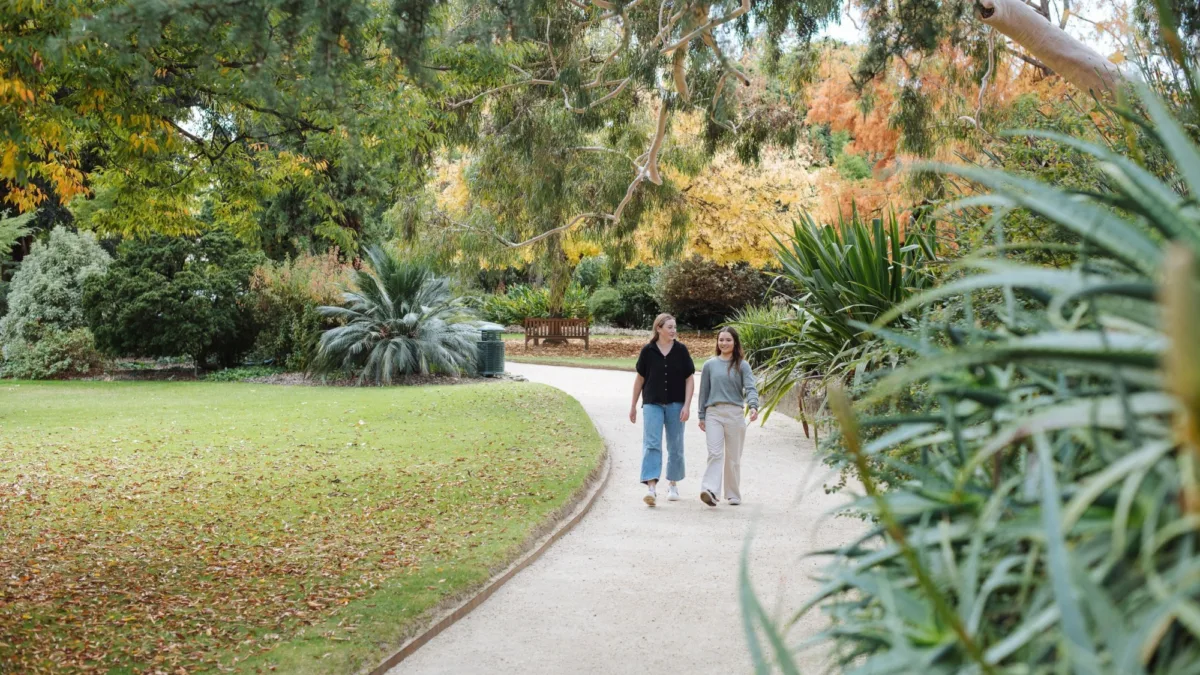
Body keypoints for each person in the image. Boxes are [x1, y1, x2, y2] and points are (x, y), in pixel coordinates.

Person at [630, 313, 695, 506]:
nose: (674, 330)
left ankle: (673, 484)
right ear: (659, 329)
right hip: (652, 403)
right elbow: (640, 379)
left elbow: (689, 378)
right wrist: (633, 405)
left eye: (675, 327)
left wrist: (687, 405)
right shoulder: (648, 351)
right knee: (652, 444)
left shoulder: (681, 351)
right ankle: (651, 487)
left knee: (675, 445)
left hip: (676, 404)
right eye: (670, 327)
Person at [696, 326, 758, 506]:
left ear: (735, 342)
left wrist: (753, 405)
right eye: (721, 339)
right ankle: (710, 491)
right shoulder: (709, 365)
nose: (724, 343)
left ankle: (732, 494)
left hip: (735, 414)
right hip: (713, 413)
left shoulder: (742, 365)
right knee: (714, 453)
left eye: (728, 340)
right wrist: (701, 415)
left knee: (733, 457)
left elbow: (751, 387)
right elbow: (703, 392)